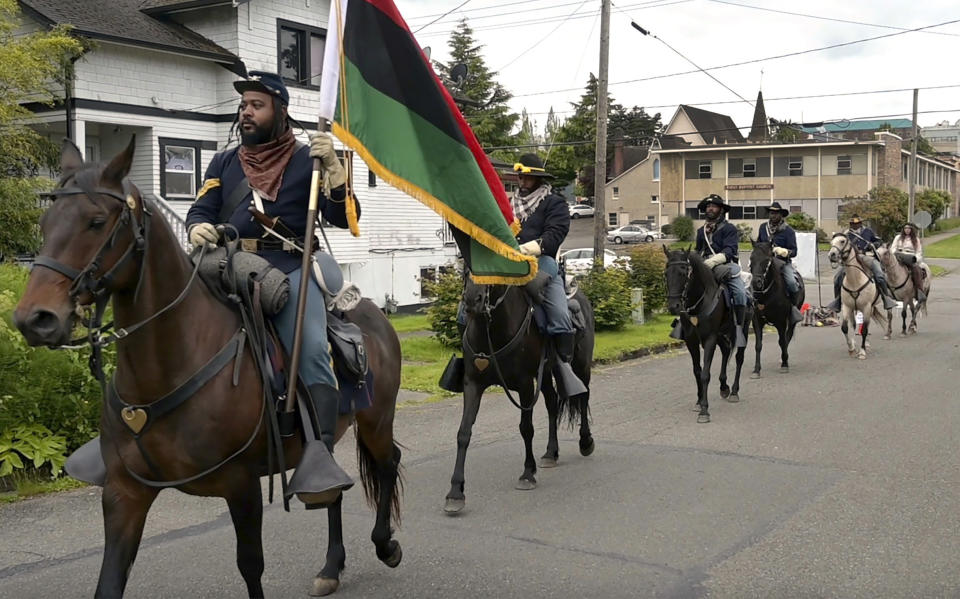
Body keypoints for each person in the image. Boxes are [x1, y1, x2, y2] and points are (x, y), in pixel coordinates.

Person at [186, 71, 356, 494]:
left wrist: (335, 172)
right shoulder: (225, 161)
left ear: (281, 112)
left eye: (256, 105)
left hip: (289, 266)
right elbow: (202, 209)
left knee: (313, 349)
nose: (246, 112)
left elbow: (343, 217)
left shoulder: (308, 158)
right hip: (226, 266)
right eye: (243, 105)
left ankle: (322, 455)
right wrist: (196, 229)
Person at [695, 194, 749, 347]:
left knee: (739, 292)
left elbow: (730, 250)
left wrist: (713, 260)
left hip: (724, 265)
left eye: (713, 206)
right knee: (686, 285)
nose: (710, 209)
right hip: (705, 265)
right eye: (708, 206)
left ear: (721, 210)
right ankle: (683, 323)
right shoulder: (701, 231)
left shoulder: (729, 228)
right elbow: (699, 250)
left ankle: (738, 326)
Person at [827, 215, 897, 311]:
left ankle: (886, 298)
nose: (854, 225)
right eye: (852, 224)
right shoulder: (846, 234)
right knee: (837, 278)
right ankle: (837, 301)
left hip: (866, 256)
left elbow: (878, 241)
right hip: (851, 259)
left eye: (856, 223)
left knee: (880, 275)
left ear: (860, 223)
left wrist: (872, 245)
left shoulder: (868, 231)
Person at [756, 202, 803, 324]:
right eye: (771, 213)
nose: (773, 216)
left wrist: (784, 251)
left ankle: (793, 308)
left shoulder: (788, 231)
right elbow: (758, 244)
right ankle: (754, 307)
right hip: (765, 263)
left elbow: (794, 251)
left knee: (792, 283)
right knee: (754, 279)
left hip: (782, 263)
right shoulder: (763, 228)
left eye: (776, 213)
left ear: (781, 215)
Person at [890, 222, 927, 303]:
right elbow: (893, 248)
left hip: (910, 257)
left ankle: (919, 291)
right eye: (905, 228)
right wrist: (894, 255)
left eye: (909, 228)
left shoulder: (916, 239)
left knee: (916, 269)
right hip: (898, 256)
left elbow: (919, 252)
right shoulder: (898, 237)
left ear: (911, 230)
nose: (907, 230)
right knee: (887, 268)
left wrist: (915, 259)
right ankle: (886, 291)